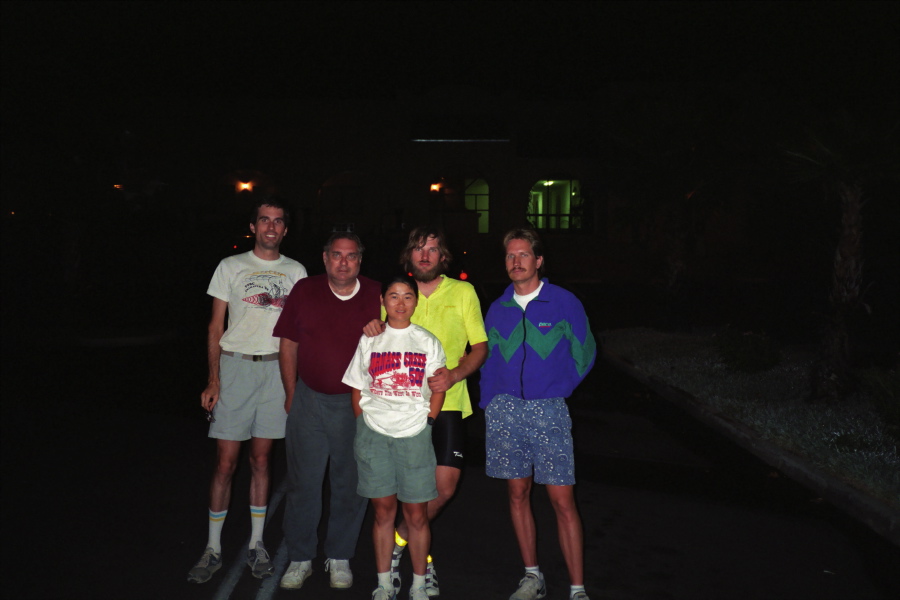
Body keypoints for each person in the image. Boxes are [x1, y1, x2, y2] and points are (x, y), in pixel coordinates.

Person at [363, 226, 487, 597]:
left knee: (444, 488)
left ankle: (401, 542)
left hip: (447, 405)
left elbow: (479, 347)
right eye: (419, 249)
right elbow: (379, 335)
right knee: (400, 492)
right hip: (399, 409)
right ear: (409, 256)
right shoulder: (398, 291)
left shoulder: (462, 292)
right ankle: (422, 564)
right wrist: (372, 324)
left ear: (443, 256)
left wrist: (454, 374)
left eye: (433, 249)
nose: (426, 255)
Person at [188, 198, 307, 584]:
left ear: (285, 230)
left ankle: (257, 544)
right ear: (253, 226)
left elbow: (302, 331)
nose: (271, 227)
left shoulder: (296, 271)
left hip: (276, 370)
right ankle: (213, 548)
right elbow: (214, 326)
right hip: (236, 366)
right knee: (225, 463)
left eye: (278, 222)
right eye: (264, 221)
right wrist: (213, 379)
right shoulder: (231, 266)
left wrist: (297, 383)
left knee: (261, 460)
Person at [479, 228, 597, 600]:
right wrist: (490, 402)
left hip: (549, 409)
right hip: (505, 410)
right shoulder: (498, 309)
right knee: (517, 493)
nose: (516, 262)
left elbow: (585, 352)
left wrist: (558, 387)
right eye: (510, 256)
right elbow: (487, 360)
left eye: (523, 255)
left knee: (562, 499)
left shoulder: (564, 303)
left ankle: (577, 588)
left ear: (539, 260)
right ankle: (532, 576)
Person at [273, 231, 382, 591]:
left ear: (360, 260)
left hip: (355, 406)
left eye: (351, 256)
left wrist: (382, 329)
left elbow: (399, 336)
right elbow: (288, 343)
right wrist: (291, 393)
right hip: (309, 400)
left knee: (349, 484)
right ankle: (301, 557)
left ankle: (340, 556)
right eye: (337, 255)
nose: (343, 262)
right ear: (325, 258)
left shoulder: (375, 293)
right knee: (303, 483)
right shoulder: (305, 290)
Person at [344, 275, 447, 600]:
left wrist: (428, 422)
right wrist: (364, 423)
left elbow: (437, 387)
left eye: (407, 297)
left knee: (417, 515)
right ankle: (384, 583)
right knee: (383, 513)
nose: (400, 303)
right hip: (374, 434)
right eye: (393, 296)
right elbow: (357, 386)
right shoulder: (371, 339)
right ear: (383, 301)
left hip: (414, 435)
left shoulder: (427, 340)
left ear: (415, 302)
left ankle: (418, 585)